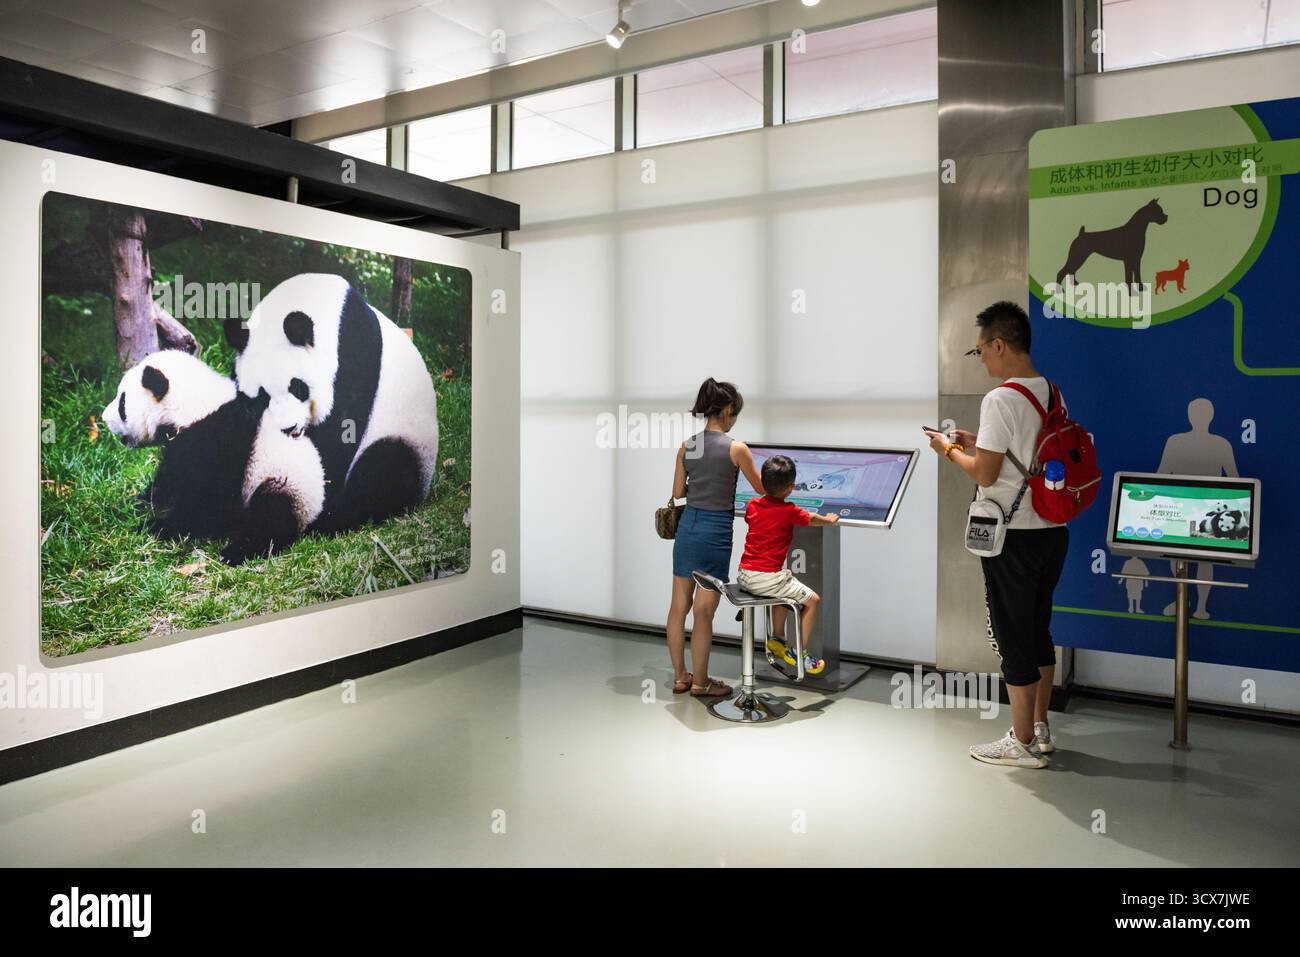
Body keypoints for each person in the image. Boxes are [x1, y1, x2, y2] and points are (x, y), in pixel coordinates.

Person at [927, 301, 1067, 769]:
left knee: (1011, 636)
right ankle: (1040, 728)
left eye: (980, 349)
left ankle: (1020, 742)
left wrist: (948, 450)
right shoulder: (1051, 391)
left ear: (1000, 344)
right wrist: (977, 443)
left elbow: (986, 474)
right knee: (1038, 628)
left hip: (1013, 535)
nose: (981, 358)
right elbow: (1021, 454)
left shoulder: (1000, 398)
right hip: (1051, 531)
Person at [667, 378, 764, 698]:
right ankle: (701, 682)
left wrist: (701, 483)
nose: (735, 419)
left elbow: (678, 492)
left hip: (688, 528)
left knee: (678, 607)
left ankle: (680, 677)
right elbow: (762, 489)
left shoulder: (688, 446)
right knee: (704, 612)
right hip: (716, 532)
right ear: (727, 409)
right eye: (735, 413)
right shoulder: (737, 448)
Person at [736, 455, 838, 675]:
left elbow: (756, 518)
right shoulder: (790, 511)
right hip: (766, 579)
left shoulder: (752, 505)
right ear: (791, 488)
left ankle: (778, 638)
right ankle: (798, 652)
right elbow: (810, 518)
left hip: (745, 575)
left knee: (784, 582)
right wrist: (828, 520)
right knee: (813, 600)